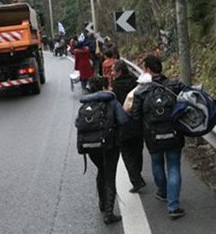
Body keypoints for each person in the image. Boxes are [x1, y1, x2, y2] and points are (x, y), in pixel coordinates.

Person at [131, 55, 187, 219]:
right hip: (174, 134)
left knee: (157, 162)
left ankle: (162, 192)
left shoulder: (142, 90)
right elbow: (188, 103)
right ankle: (173, 206)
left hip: (152, 136)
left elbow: (135, 115)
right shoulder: (175, 85)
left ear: (147, 69)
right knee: (174, 166)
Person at [77, 76, 130, 224]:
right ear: (104, 87)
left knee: (101, 170)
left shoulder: (85, 104)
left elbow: (77, 123)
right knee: (110, 175)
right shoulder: (111, 102)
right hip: (110, 145)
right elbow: (123, 120)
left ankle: (102, 203)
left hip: (91, 147)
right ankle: (109, 213)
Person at [111, 59, 146, 193]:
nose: (112, 73)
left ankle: (136, 179)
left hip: (123, 124)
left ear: (120, 71)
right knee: (138, 149)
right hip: (137, 121)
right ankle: (138, 172)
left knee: (126, 153)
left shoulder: (116, 86)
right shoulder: (134, 82)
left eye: (114, 70)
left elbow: (117, 105)